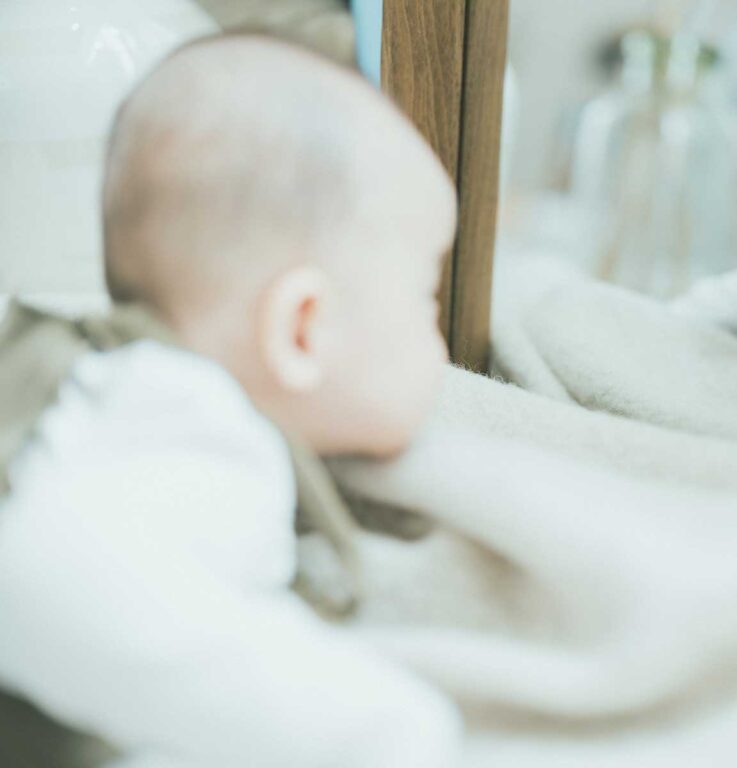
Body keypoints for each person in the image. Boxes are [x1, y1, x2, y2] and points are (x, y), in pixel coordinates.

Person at [0, 33, 459, 767]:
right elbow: (48, 577)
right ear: (302, 330)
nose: (444, 349)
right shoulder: (188, 421)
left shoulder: (124, 389)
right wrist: (380, 728)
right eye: (426, 299)